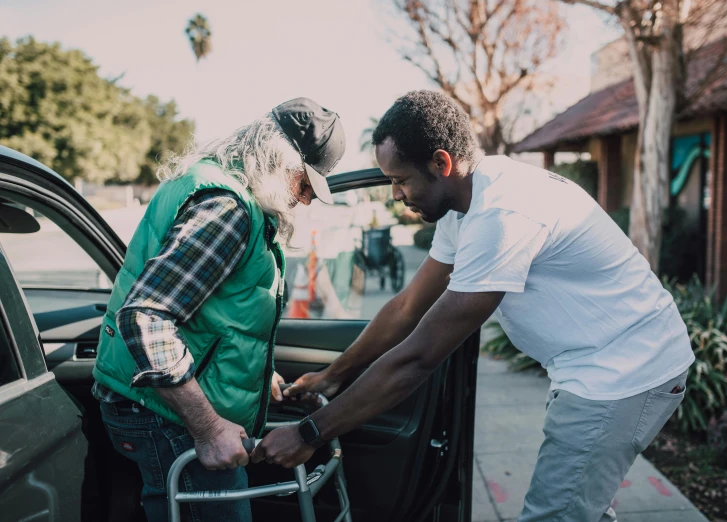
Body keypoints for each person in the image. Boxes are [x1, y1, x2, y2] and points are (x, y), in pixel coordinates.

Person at [257, 90, 695, 522]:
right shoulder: (465, 204)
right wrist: (334, 376)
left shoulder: (502, 214)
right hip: (592, 365)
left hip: (626, 372)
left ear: (442, 163)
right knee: (579, 505)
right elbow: (409, 306)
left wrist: (309, 433)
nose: (395, 194)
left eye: (400, 179)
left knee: (554, 514)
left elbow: (419, 357)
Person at [92, 97, 345, 522]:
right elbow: (147, 317)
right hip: (165, 415)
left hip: (149, 401)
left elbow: (210, 312)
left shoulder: (209, 185)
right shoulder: (228, 209)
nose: (304, 200)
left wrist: (254, 374)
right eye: (305, 183)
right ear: (277, 160)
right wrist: (208, 429)